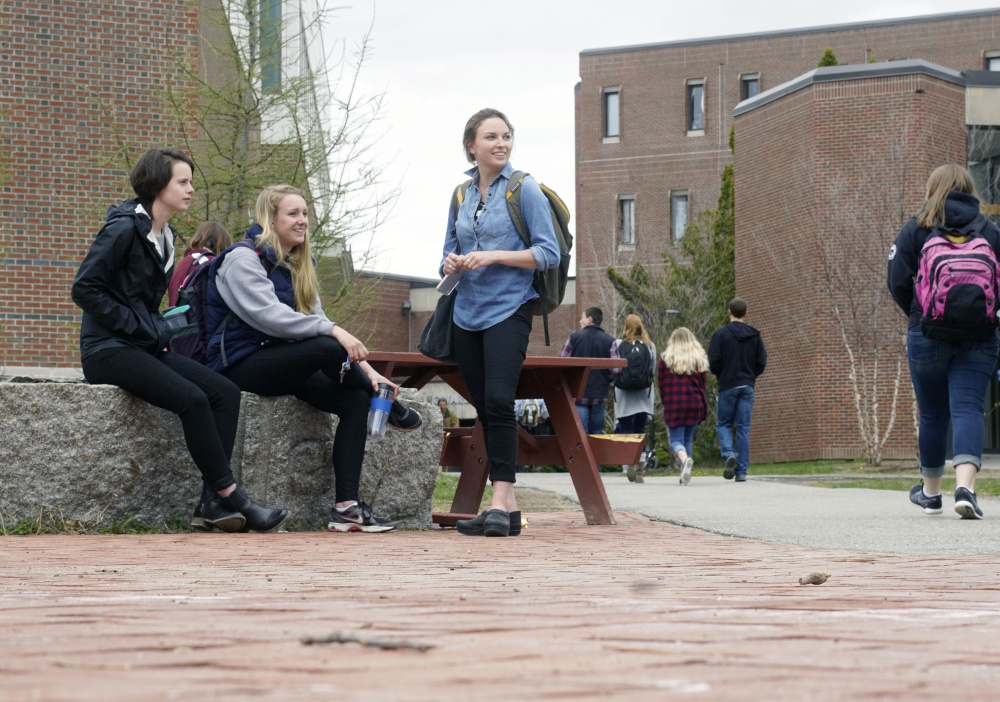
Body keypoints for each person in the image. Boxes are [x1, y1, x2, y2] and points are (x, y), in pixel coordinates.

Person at [71, 147, 288, 533]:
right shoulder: (124, 228)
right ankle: (232, 496)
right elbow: (86, 288)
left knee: (224, 391)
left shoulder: (167, 235)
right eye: (182, 182)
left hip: (142, 345)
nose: (190, 190)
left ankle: (211, 502)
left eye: (190, 182)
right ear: (158, 185)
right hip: (106, 349)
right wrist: (140, 327)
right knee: (193, 399)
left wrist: (152, 330)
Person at [204, 184, 422, 533]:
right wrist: (336, 332)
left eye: (305, 213)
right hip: (238, 364)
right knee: (325, 344)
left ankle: (347, 507)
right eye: (293, 214)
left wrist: (371, 374)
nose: (302, 220)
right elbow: (271, 318)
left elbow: (318, 320)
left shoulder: (299, 263)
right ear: (270, 219)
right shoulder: (242, 259)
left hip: (279, 361)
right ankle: (388, 407)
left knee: (354, 400)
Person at [442, 108, 560, 538]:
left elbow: (549, 253)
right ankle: (506, 509)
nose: (501, 143)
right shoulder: (460, 194)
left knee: (498, 399)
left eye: (506, 136)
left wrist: (493, 256)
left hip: (509, 307)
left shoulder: (524, 188)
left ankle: (500, 495)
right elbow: (446, 252)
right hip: (466, 313)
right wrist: (452, 262)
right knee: (484, 406)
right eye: (491, 137)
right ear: (471, 145)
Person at [887, 164, 1000, 519]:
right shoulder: (989, 230)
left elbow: (897, 281)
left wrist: (922, 314)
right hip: (980, 335)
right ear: (969, 189)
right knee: (968, 408)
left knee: (933, 413)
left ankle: (932, 493)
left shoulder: (916, 229)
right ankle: (965, 488)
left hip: (927, 335)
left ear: (931, 189)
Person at [708, 297, 767, 482]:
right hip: (747, 386)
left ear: (729, 312)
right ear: (746, 313)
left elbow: (713, 361)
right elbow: (761, 362)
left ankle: (728, 453)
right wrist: (750, 376)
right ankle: (741, 472)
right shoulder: (755, 335)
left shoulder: (721, 335)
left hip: (727, 385)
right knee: (743, 428)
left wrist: (720, 374)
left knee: (724, 424)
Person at [658, 327, 708, 486]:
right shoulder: (698, 359)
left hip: (675, 404)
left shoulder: (665, 359)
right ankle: (684, 475)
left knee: (676, 441)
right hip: (695, 404)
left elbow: (661, 385)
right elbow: (703, 384)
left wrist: (665, 402)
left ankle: (685, 460)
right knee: (687, 439)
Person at [560, 307, 619, 434]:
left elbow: (562, 364)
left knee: (579, 434)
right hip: (599, 394)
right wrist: (606, 379)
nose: (580, 321)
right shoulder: (610, 341)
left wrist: (571, 382)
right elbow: (616, 369)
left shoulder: (573, 338)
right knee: (597, 434)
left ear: (589, 319)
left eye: (582, 317)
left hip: (578, 394)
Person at [612, 314, 656, 483]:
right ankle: (640, 468)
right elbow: (651, 369)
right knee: (640, 431)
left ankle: (629, 461)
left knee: (625, 430)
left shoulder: (617, 344)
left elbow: (614, 368)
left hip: (624, 395)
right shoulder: (650, 345)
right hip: (643, 396)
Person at [167, 221, 233, 306]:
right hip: (198, 318)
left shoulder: (182, 263)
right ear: (223, 244)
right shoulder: (210, 264)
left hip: (176, 318)